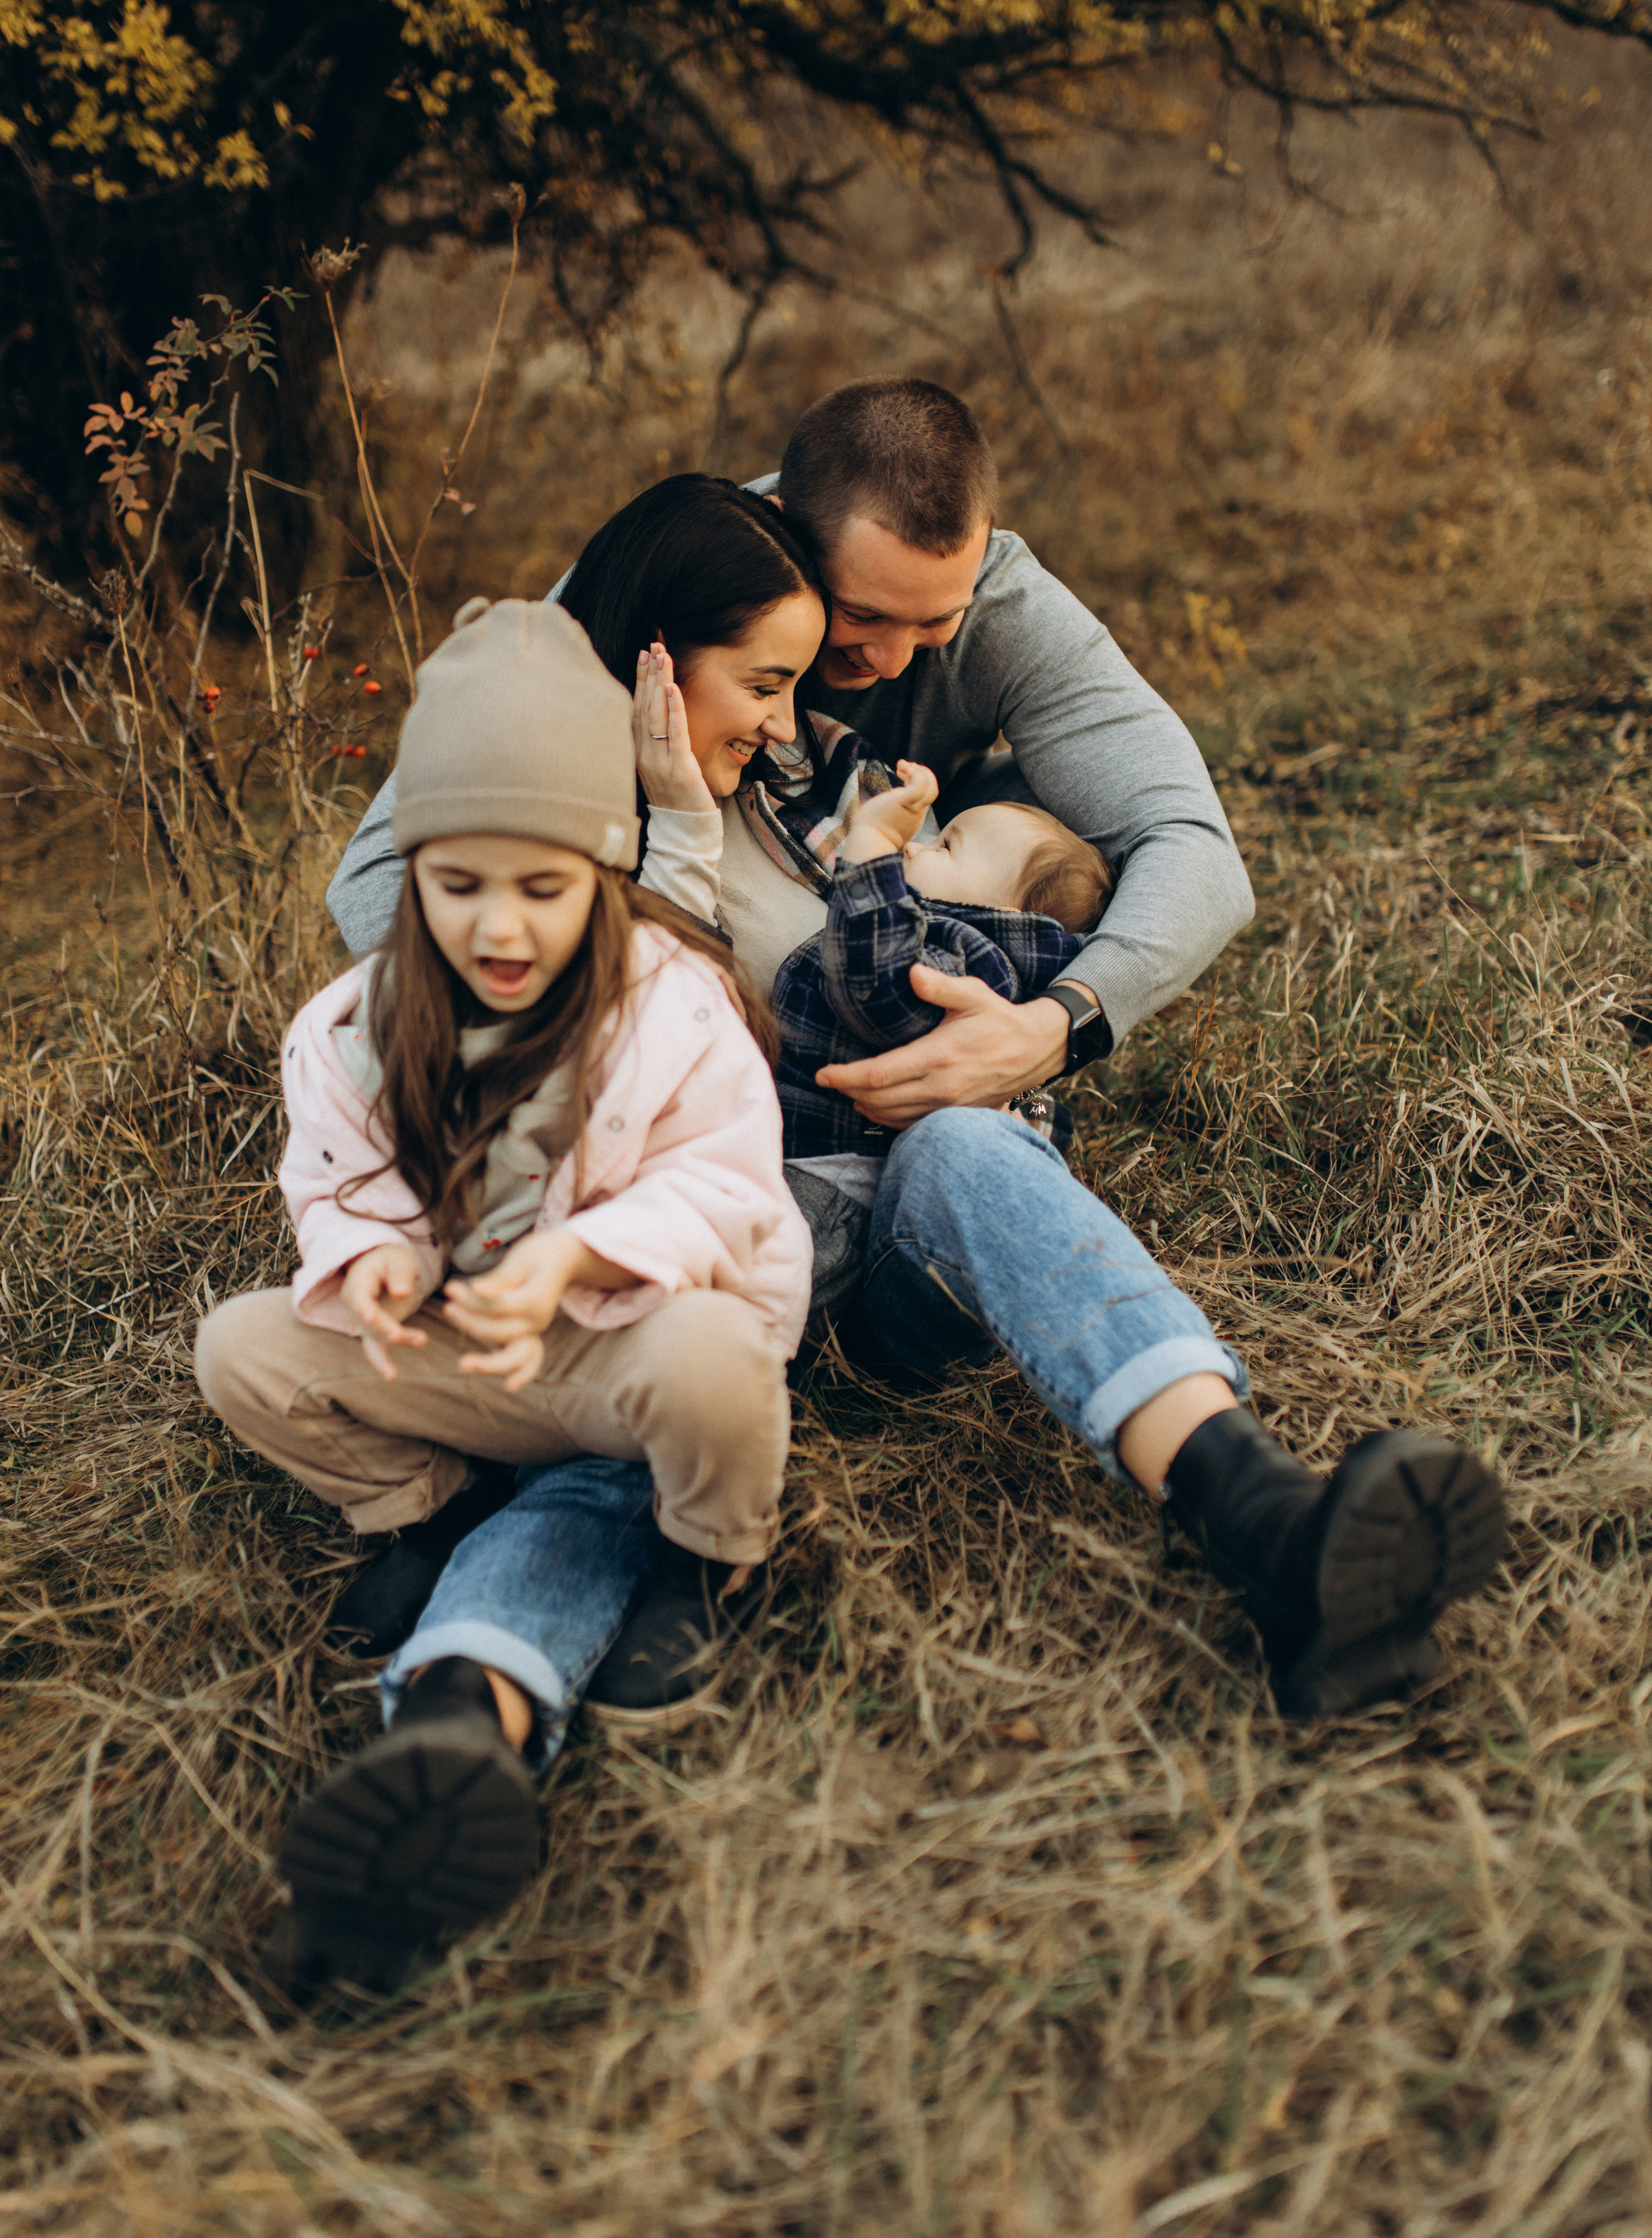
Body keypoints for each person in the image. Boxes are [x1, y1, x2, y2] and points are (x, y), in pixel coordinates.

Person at [327, 401, 1509, 1733]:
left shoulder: (848, 765)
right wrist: (533, 1029)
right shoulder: (625, 694)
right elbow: (393, 878)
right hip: (681, 1235)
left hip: (886, 1220)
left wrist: (1043, 1024)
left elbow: (1188, 846)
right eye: (842, 633)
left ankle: (1264, 1519)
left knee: (966, 1144)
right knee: (632, 1344)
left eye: (928, 629)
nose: (883, 664)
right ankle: (458, 1714)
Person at [194, 598, 812, 1997]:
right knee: (242, 1349)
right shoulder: (348, 1029)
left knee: (717, 1356)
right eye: (459, 885)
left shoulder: (669, 1002)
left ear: (604, 869)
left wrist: (576, 1262)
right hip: (467, 1369)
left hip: (620, 1350)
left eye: (542, 888)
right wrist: (381, 1263)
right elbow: (332, 1187)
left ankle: (708, 1556)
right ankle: (428, 1514)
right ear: (412, 873)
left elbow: (730, 1194)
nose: (501, 925)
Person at [761, 752, 1112, 1160]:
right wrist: (1043, 1121)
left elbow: (875, 984)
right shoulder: (989, 976)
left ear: (1002, 914)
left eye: (945, 846)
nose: (913, 847)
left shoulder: (966, 956)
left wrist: (873, 844)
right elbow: (1024, 1093)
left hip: (837, 1168)